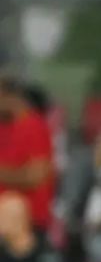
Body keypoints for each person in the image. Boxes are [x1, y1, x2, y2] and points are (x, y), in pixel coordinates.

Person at [0, 76, 55, 231]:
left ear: (10, 97)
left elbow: (35, 176)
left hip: (28, 222)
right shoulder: (4, 127)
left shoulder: (34, 125)